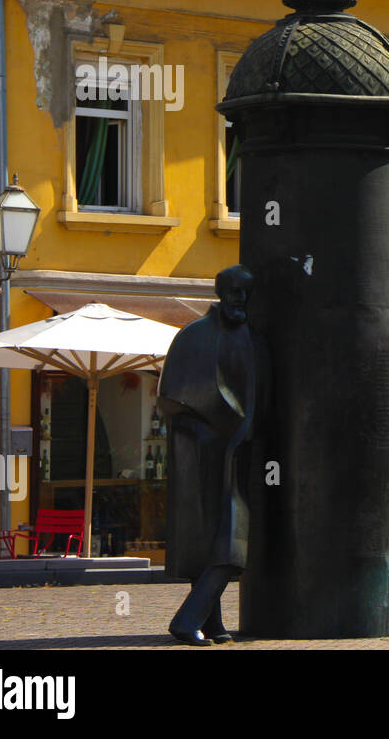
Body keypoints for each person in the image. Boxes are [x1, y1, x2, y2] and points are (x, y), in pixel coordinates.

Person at [158, 264, 268, 645]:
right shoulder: (195, 336)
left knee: (216, 535)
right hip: (205, 451)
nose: (240, 300)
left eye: (245, 293)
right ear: (221, 293)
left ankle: (213, 622)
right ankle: (187, 620)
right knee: (229, 542)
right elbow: (174, 393)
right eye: (234, 292)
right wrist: (223, 423)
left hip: (233, 451)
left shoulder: (247, 337)